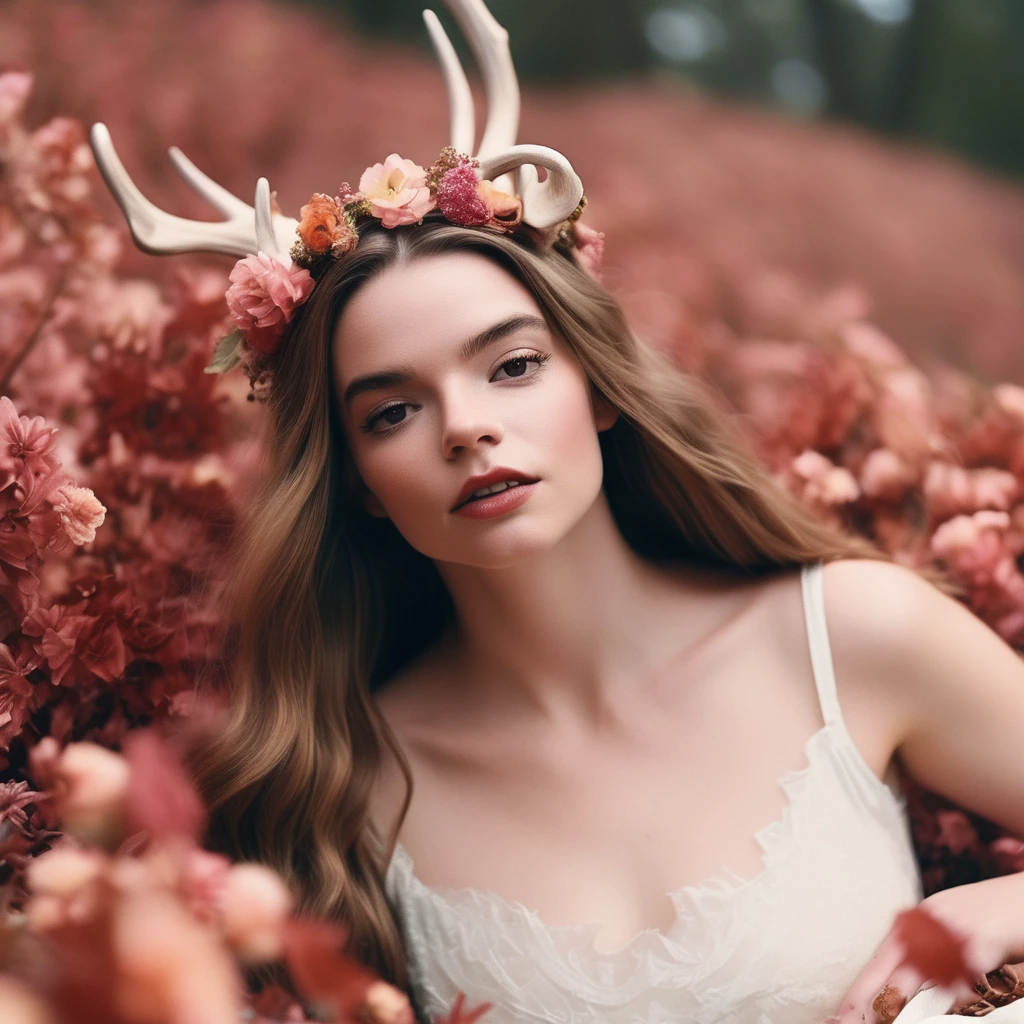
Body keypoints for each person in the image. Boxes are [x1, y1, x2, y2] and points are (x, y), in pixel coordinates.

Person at [88, 2, 1024, 1022]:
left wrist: (996, 909)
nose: (465, 429)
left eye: (514, 365)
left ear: (601, 386)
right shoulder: (340, 795)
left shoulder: (847, 634)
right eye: (393, 409)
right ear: (355, 474)